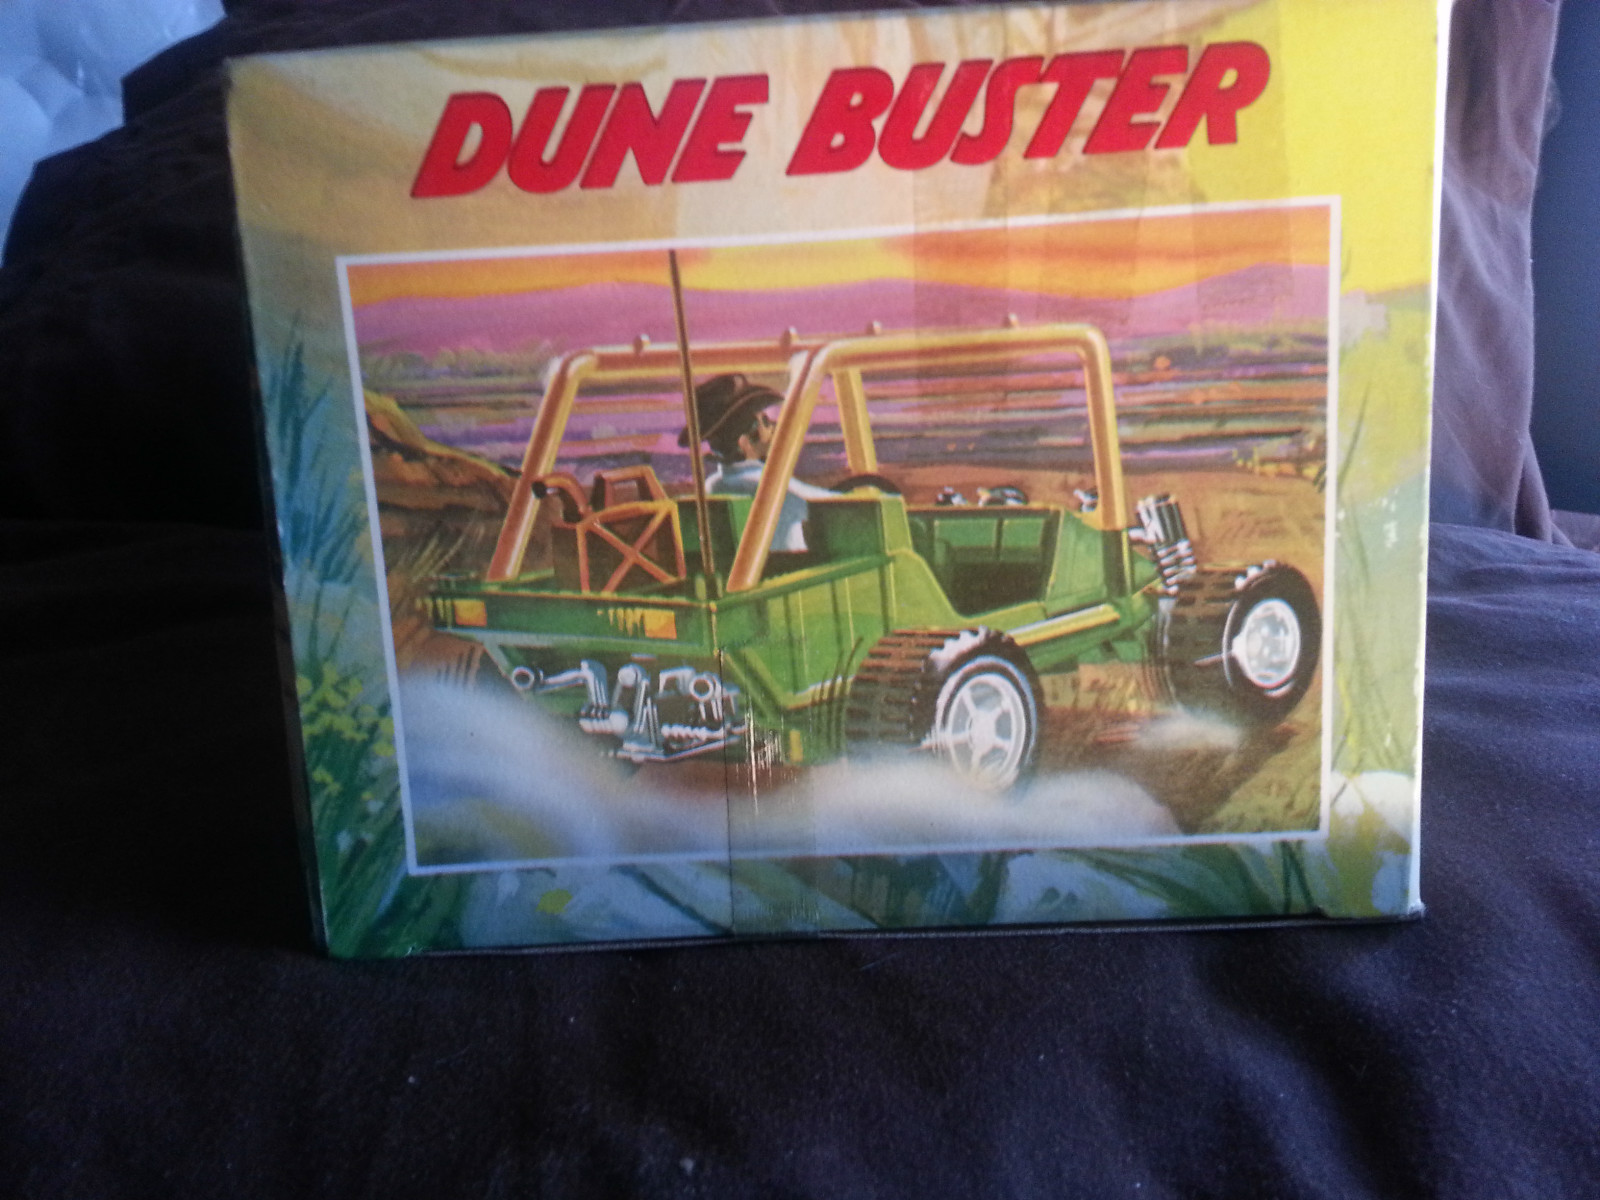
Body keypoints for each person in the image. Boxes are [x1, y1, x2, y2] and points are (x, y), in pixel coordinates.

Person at [679, 374, 832, 552]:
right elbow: (833, 505)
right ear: (744, 442)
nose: (772, 428)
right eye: (765, 422)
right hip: (786, 565)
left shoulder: (713, 484)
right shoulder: (766, 483)